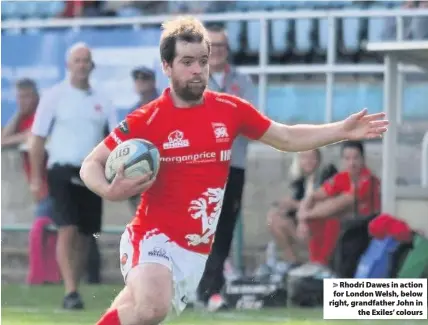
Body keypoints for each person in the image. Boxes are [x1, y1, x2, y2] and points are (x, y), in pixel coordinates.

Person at [79, 16, 388, 325]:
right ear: (167, 66)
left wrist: (341, 130)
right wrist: (108, 190)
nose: (198, 69)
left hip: (195, 250)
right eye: (187, 62)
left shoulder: (229, 109)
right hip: (152, 236)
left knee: (135, 311)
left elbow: (286, 136)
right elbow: (91, 164)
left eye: (202, 60)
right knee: (152, 307)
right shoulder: (147, 119)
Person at [29, 43, 117, 310]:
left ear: (91, 65)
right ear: (69, 64)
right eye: (77, 60)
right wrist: (35, 177)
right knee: (66, 228)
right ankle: (69, 290)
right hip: (61, 169)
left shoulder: (102, 98)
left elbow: (114, 138)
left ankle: (74, 287)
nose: (82, 65)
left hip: (91, 170)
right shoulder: (54, 96)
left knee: (85, 234)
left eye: (86, 60)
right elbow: (37, 138)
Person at [196, 24, 258, 305]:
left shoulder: (243, 82)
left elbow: (251, 121)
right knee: (198, 228)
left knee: (224, 229)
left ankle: (212, 289)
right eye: (213, 45)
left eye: (222, 46)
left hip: (233, 165)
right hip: (200, 166)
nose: (217, 51)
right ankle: (196, 287)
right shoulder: (194, 79)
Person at [266, 149, 339, 271]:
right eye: (304, 158)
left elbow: (324, 206)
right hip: (305, 225)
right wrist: (284, 207)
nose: (308, 162)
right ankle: (293, 262)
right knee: (273, 218)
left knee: (281, 219)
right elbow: (297, 205)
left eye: (312, 157)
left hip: (322, 226)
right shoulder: (301, 181)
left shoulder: (327, 174)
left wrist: (295, 205)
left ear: (319, 159)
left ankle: (306, 263)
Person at [297, 140, 381, 238]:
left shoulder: (368, 179)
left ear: (363, 159)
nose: (352, 163)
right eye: (347, 158)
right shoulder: (343, 176)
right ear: (342, 160)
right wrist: (302, 220)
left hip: (367, 229)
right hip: (349, 227)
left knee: (330, 215)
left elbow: (342, 202)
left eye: (356, 158)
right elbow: (314, 195)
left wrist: (306, 215)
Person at [126, 66, 159, 212]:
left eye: (144, 78)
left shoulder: (165, 105)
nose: (140, 82)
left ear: (153, 82)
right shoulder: (133, 111)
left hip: (162, 173)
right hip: (139, 174)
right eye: (137, 79)